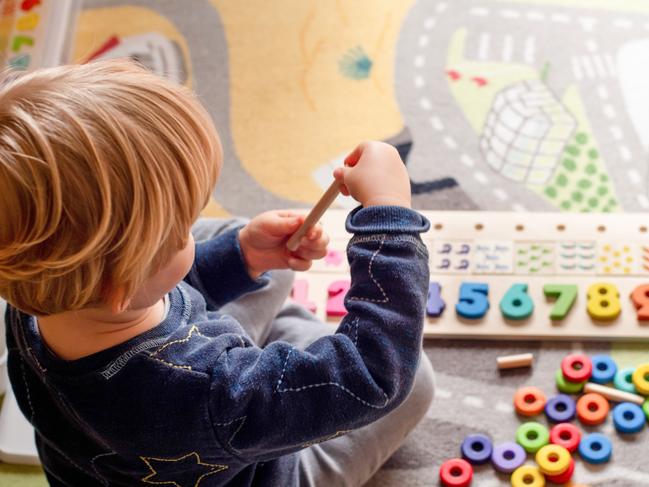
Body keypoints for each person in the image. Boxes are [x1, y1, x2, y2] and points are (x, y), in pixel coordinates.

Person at [0, 59, 434, 486]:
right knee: (415, 380)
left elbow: (145, 294)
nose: (191, 227)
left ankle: (263, 326)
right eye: (180, 228)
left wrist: (241, 257)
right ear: (122, 282)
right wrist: (387, 217)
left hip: (133, 444)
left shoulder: (31, 297)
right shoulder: (213, 394)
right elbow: (374, 373)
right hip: (258, 467)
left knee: (250, 253)